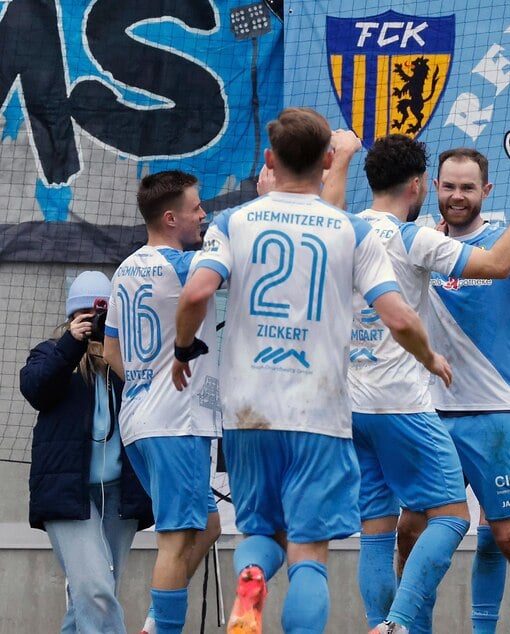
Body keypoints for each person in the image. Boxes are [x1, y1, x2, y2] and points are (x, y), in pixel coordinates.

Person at [171, 107, 450, 634]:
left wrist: (184, 349)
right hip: (319, 414)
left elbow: (197, 292)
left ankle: (251, 580)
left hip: (249, 413)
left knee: (259, 536)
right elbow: (397, 315)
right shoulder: (350, 230)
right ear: (327, 161)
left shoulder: (235, 220)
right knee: (309, 555)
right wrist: (429, 357)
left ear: (270, 160)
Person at [348, 134, 510, 634]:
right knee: (409, 531)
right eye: (448, 186)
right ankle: (405, 627)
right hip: (425, 412)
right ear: (430, 186)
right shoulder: (418, 241)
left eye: (468, 187)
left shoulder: (506, 240)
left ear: (487, 190)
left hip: (495, 413)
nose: (457, 195)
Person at [101, 170, 222, 634]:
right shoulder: (187, 267)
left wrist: (146, 384)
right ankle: (162, 627)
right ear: (171, 218)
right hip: (177, 421)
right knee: (174, 541)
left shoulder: (125, 269)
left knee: (207, 525)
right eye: (196, 208)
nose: (203, 214)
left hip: (138, 421)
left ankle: (156, 620)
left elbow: (111, 352)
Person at [20, 270, 153, 634]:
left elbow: (152, 396)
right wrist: (70, 345)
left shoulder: (125, 357)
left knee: (95, 595)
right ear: (70, 317)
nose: (93, 324)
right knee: (94, 591)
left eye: (100, 316)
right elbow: (35, 389)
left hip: (121, 492)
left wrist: (116, 349)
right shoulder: (52, 354)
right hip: (68, 492)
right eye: (85, 316)